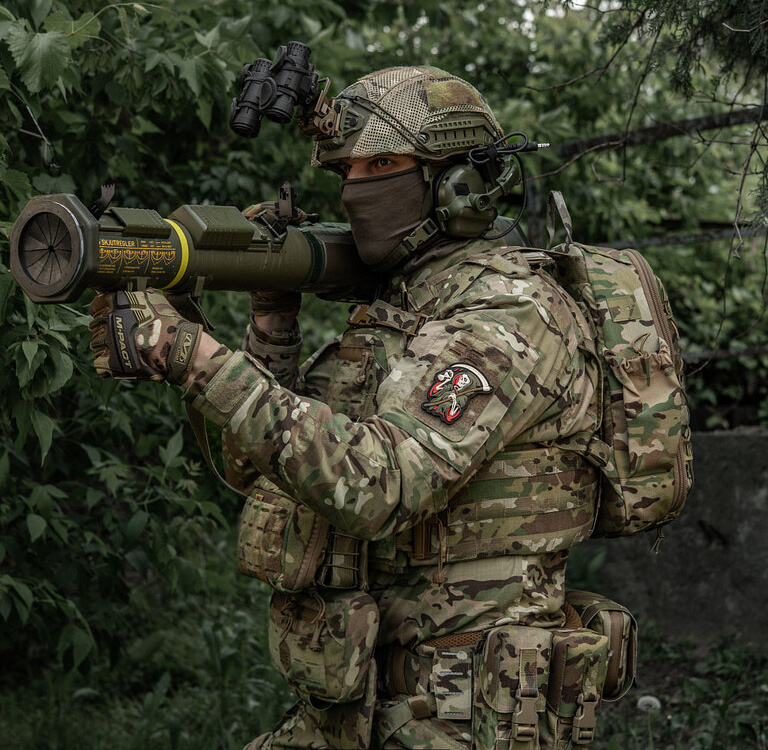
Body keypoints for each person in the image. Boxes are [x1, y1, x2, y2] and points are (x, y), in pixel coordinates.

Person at [89, 66, 608, 750]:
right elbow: (266, 468)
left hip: (465, 718)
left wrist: (194, 357)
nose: (357, 190)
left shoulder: (509, 313)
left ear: (457, 182)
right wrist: (272, 325)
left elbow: (377, 486)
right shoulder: (399, 309)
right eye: (347, 172)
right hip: (353, 707)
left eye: (382, 166)